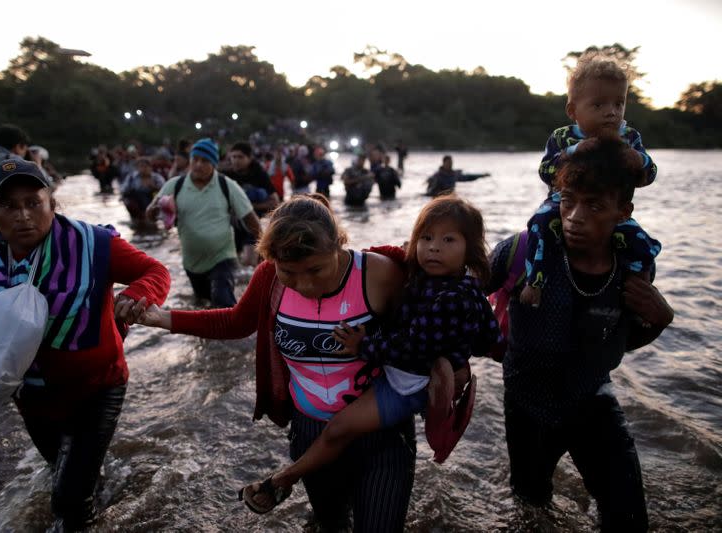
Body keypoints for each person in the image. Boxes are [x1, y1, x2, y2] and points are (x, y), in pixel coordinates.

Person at [133, 195, 431, 532]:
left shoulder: (379, 274)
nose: (304, 284)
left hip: (381, 434)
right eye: (289, 272)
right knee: (330, 522)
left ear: (338, 245)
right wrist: (163, 318)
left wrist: (452, 368)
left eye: (316, 270)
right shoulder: (269, 279)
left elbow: (425, 334)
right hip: (310, 430)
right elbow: (235, 322)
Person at [237, 195, 502, 514]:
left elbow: (410, 348)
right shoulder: (442, 283)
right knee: (329, 514)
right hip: (323, 411)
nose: (434, 247)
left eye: (448, 240)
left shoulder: (448, 297)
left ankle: (281, 480)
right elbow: (490, 335)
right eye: (427, 238)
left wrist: (365, 347)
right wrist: (460, 354)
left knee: (338, 430)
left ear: (470, 249)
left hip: (405, 383)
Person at [0, 159, 170, 530]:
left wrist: (135, 295)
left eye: (33, 203)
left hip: (97, 387)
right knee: (62, 469)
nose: (22, 216)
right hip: (31, 397)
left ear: (52, 203)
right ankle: (96, 481)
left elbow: (156, 272)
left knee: (67, 501)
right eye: (8, 206)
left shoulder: (94, 245)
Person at [488, 138, 673, 532]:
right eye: (567, 200)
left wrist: (659, 319)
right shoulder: (522, 251)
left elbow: (622, 339)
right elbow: (462, 301)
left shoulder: (632, 268)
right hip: (526, 402)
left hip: (591, 399)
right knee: (531, 505)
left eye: (594, 206)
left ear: (623, 211)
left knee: (628, 517)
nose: (574, 217)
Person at [521, 52, 660, 308]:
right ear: (573, 111)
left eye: (618, 104)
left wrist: (639, 161)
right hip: (561, 204)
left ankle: (641, 289)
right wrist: (573, 152)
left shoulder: (629, 137)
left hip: (609, 210)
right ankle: (535, 282)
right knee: (539, 224)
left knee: (639, 240)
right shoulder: (563, 138)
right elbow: (545, 171)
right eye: (599, 105)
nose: (611, 113)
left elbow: (648, 176)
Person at [146, 138, 261, 308]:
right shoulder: (175, 185)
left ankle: (236, 333)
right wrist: (156, 209)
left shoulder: (227, 185)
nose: (198, 164)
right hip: (192, 263)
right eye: (195, 159)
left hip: (223, 257)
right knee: (202, 305)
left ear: (214, 164)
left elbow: (250, 218)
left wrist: (266, 247)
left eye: (205, 161)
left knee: (223, 301)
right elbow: (149, 214)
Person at [120, 157, 165, 226]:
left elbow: (165, 191)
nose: (143, 169)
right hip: (137, 204)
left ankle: (151, 218)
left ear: (150, 167)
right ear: (137, 168)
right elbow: (123, 190)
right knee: (127, 199)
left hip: (152, 202)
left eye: (146, 166)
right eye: (141, 166)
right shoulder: (131, 177)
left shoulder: (156, 177)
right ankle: (137, 219)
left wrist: (154, 187)